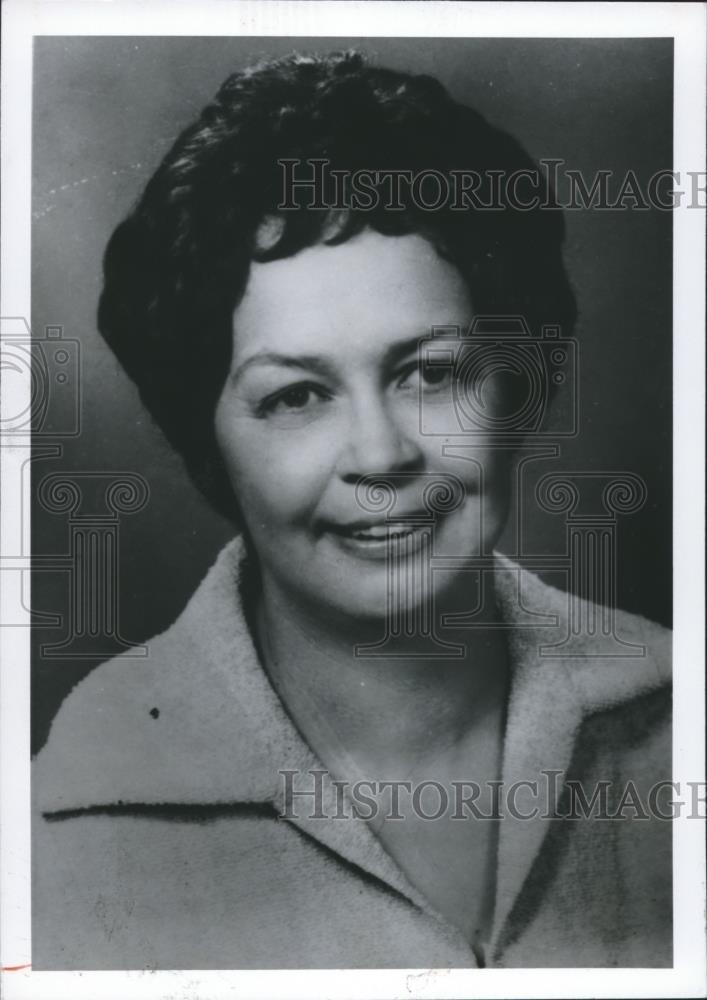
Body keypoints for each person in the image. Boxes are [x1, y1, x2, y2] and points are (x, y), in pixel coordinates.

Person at [33, 50, 671, 970]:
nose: (380, 455)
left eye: (431, 373)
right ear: (209, 440)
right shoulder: (61, 832)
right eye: (295, 397)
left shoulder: (672, 722)